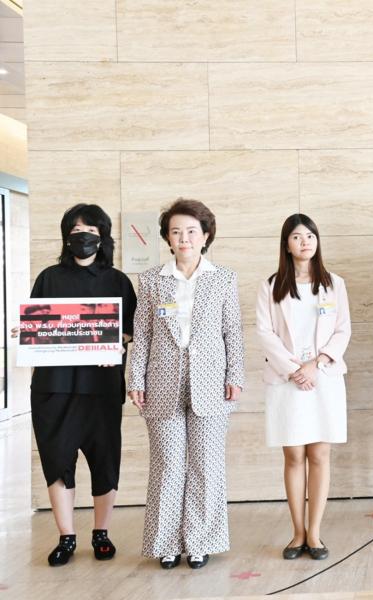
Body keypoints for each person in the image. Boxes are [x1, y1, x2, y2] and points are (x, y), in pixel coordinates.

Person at [14, 204, 136, 566]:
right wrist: (26, 332)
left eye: (91, 231)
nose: (83, 237)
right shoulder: (49, 278)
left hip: (100, 387)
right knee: (56, 460)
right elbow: (38, 326)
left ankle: (101, 533)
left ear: (103, 237)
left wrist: (116, 344)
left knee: (105, 460)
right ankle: (66, 537)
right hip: (54, 388)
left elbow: (131, 331)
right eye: (76, 230)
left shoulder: (118, 281)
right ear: (66, 237)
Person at [129, 199, 245, 570]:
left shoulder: (223, 278)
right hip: (161, 383)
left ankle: (200, 541)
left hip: (211, 383)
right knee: (167, 464)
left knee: (206, 465)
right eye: (176, 232)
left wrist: (235, 375)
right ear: (167, 238)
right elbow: (142, 336)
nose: (184, 238)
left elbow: (232, 331)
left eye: (192, 231)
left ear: (206, 235)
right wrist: (135, 378)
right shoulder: (151, 280)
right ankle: (166, 543)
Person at [256, 214, 351, 561]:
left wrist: (316, 364)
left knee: (319, 455)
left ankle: (315, 533)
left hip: (323, 378)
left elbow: (343, 329)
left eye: (310, 235)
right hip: (287, 381)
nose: (305, 242)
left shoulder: (334, 283)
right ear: (286, 244)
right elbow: (265, 333)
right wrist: (295, 369)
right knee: (294, 456)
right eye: (297, 237)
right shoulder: (271, 286)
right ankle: (297, 533)